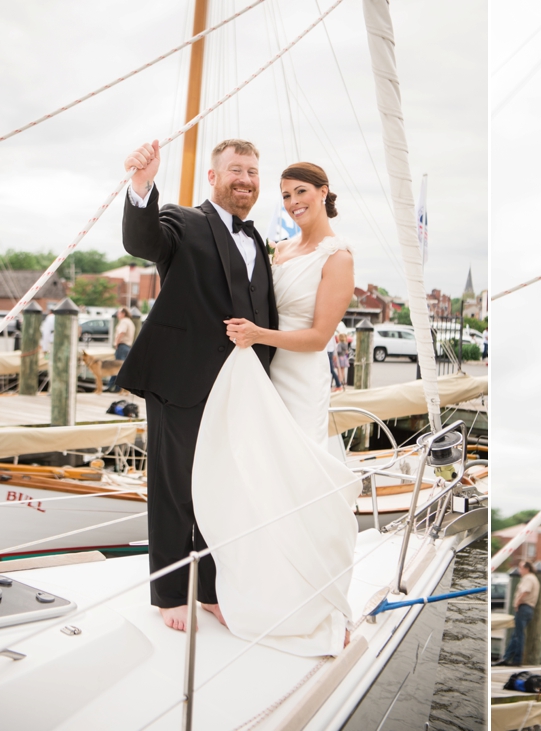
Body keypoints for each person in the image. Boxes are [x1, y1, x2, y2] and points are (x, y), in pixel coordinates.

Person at [195, 161, 358, 656]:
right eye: (286, 195)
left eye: (301, 192)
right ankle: (259, 587)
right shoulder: (281, 249)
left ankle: (309, 601)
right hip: (263, 373)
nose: (292, 202)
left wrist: (258, 335)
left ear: (324, 192)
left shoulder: (339, 256)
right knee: (257, 477)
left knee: (296, 481)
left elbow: (319, 337)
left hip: (300, 376)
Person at [117, 139, 277, 632]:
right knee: (173, 488)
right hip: (180, 379)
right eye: (235, 170)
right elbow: (144, 243)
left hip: (240, 387)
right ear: (213, 177)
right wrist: (141, 186)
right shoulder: (183, 222)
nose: (245, 179)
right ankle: (168, 593)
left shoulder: (259, 242)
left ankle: (210, 590)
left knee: (221, 490)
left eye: (252, 171)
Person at [496, 560, 539, 666]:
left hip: (524, 607)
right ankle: (506, 658)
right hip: (529, 609)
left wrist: (517, 602)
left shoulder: (528, 578)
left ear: (526, 569)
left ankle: (517, 660)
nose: (520, 570)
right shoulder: (534, 578)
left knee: (519, 636)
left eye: (521, 568)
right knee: (516, 635)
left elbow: (526, 590)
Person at [106, 308, 135, 392]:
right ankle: (118, 387)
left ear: (123, 313)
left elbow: (122, 332)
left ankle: (113, 387)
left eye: (119, 313)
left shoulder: (124, 321)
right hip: (127, 347)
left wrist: (116, 342)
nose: (117, 315)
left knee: (117, 367)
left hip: (122, 346)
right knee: (122, 367)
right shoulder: (130, 321)